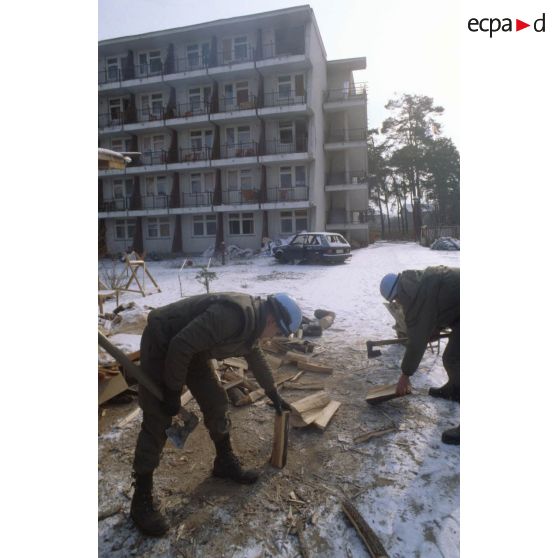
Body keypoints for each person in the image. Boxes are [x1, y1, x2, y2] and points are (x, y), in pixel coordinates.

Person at [130, 292, 302, 536]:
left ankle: (224, 461)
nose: (274, 337)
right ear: (272, 322)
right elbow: (179, 345)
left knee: (216, 401)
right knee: (158, 418)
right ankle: (141, 499)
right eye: (277, 332)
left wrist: (273, 392)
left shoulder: (255, 322)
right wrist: (172, 392)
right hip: (164, 339)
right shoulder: (233, 317)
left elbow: (255, 355)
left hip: (190, 346)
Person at [380, 266, 460, 446]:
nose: (397, 303)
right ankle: (455, 389)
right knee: (451, 358)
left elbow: (416, 343)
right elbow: (440, 304)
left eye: (395, 299)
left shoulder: (417, 299)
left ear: (398, 292)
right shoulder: (417, 283)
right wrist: (435, 327)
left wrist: (405, 375)